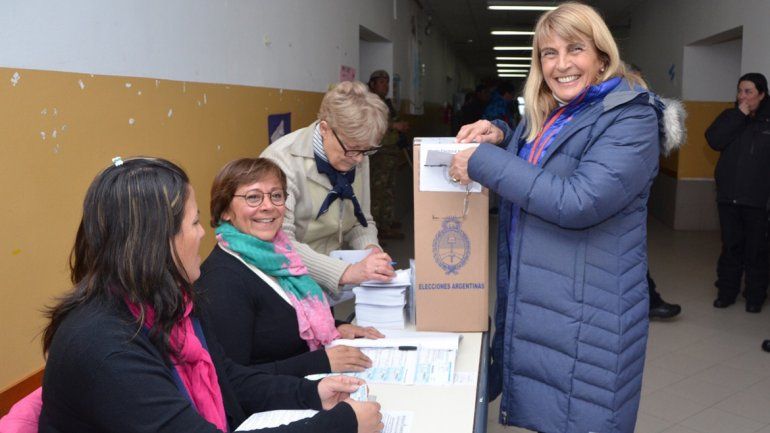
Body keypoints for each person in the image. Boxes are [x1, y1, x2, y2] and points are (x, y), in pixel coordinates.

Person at [449, 3, 684, 432]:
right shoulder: (554, 113)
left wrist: (483, 161)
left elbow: (577, 200)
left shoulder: (631, 117)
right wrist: (502, 136)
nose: (561, 64)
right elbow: (541, 164)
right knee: (550, 416)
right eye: (548, 53)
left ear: (601, 55)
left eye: (575, 48)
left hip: (590, 314)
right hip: (548, 303)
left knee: (582, 417)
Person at [37, 157, 382, 433]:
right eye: (194, 223)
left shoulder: (171, 303)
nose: (204, 234)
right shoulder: (105, 345)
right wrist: (341, 423)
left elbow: (227, 378)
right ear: (154, 242)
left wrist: (312, 393)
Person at [196, 157, 383, 378]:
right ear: (224, 210)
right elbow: (232, 380)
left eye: (276, 196)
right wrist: (320, 361)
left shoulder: (282, 256)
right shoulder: (223, 281)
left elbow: (283, 321)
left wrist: (336, 326)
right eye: (253, 197)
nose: (268, 207)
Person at [261, 81, 395, 295]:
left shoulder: (356, 152)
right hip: (285, 286)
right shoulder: (280, 162)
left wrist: (370, 249)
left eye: (367, 151)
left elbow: (361, 219)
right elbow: (279, 241)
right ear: (325, 128)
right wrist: (346, 272)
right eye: (352, 150)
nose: (359, 160)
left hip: (325, 286)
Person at [705, 72, 770, 313]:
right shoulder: (730, 117)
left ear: (762, 94)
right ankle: (726, 292)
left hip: (758, 201)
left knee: (757, 251)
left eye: (748, 92)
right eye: (740, 91)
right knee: (731, 247)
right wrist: (739, 116)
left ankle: (755, 296)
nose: (742, 96)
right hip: (728, 198)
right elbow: (714, 140)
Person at [367, 70, 409, 240]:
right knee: (377, 193)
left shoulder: (385, 102)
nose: (386, 86)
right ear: (372, 84)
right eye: (382, 82)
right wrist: (394, 126)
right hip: (379, 153)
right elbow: (371, 124)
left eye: (387, 82)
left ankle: (385, 224)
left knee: (388, 190)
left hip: (390, 152)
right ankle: (374, 232)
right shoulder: (369, 102)